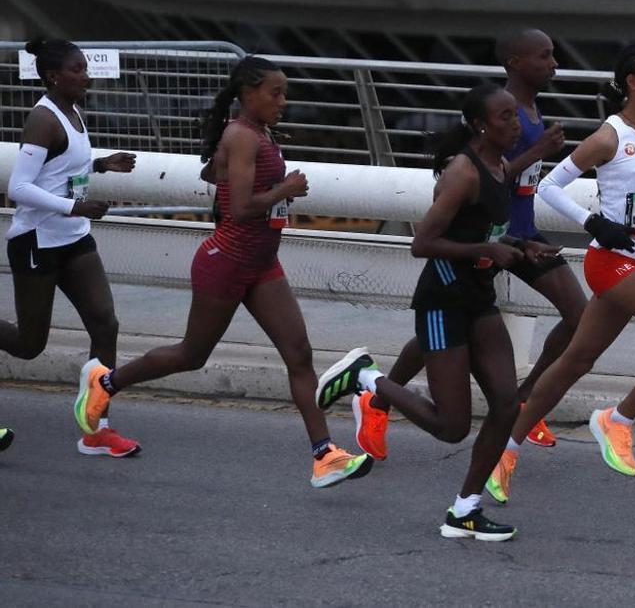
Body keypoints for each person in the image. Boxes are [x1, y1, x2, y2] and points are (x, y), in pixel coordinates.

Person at [72, 56, 373, 488]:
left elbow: (213, 174)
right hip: (227, 262)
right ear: (249, 93)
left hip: (262, 264)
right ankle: (107, 381)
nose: (283, 101)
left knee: (299, 354)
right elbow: (241, 208)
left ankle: (325, 455)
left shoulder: (254, 133)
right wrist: (286, 188)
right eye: (275, 93)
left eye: (284, 92)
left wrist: (234, 167)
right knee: (192, 356)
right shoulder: (242, 134)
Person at [483, 42, 635, 504]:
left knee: (574, 363)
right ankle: (617, 420)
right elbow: (549, 186)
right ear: (633, 84)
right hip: (608, 263)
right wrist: (592, 222)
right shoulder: (609, 137)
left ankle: (503, 450)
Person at [314, 83, 561, 541]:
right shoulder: (463, 173)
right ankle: (366, 378)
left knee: (506, 405)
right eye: (505, 118)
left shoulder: (499, 165)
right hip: (443, 303)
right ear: (480, 125)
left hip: (479, 300)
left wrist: (523, 245)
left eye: (515, 116)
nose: (515, 124)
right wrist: (485, 247)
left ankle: (465, 510)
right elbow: (422, 244)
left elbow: (488, 228)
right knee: (451, 427)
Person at [342, 29, 581, 460]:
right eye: (544, 56)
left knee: (578, 314)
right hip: (484, 238)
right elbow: (487, 172)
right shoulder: (500, 110)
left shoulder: (528, 108)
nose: (554, 63)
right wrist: (539, 151)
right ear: (514, 62)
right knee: (443, 325)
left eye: (553, 54)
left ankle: (527, 400)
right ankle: (375, 398)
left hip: (518, 234)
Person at [3, 38, 138, 457]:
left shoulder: (74, 110)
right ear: (52, 77)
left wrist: (100, 164)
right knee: (29, 344)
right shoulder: (42, 120)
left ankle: (97, 429)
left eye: (85, 68)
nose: (85, 76)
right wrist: (74, 205)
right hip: (37, 242)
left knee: (105, 325)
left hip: (74, 238)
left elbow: (60, 168)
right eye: (77, 70)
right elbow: (19, 187)